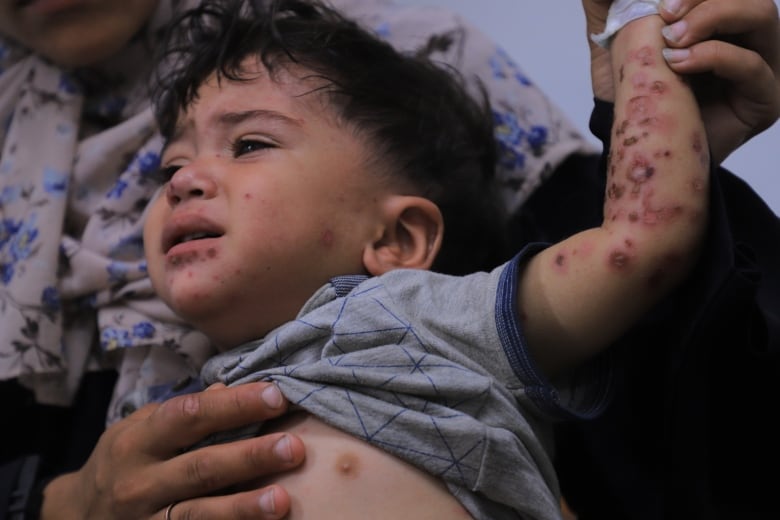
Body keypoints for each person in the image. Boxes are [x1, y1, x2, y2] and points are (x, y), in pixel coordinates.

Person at [1, 0, 777, 519]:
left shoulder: (427, 320)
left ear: (399, 243)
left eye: (251, 145)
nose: (185, 181)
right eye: (168, 171)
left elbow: (645, 238)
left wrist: (644, 39)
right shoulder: (174, 434)